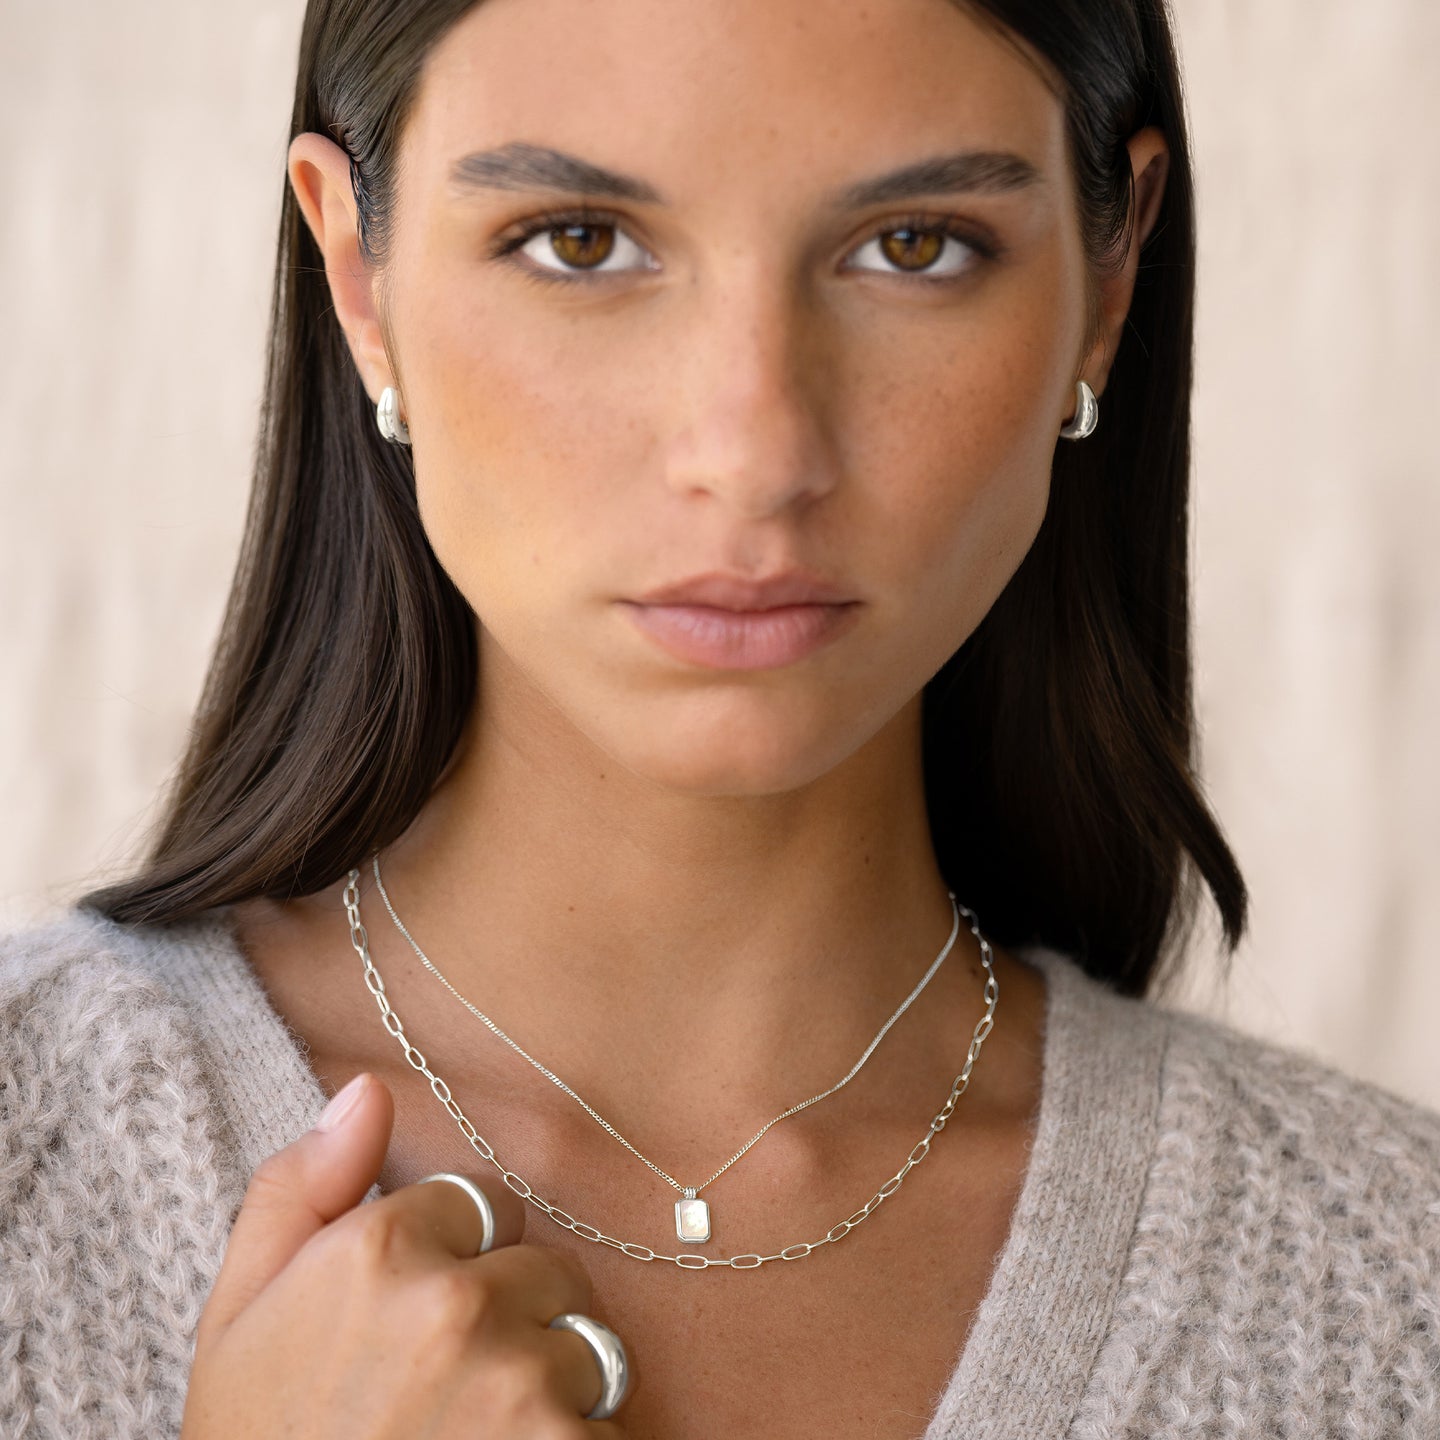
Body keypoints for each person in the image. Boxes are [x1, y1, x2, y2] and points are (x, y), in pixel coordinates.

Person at [2, 0, 1437, 1436]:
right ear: (359, 273)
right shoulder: (30, 1167)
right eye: (580, 241)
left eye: (913, 245)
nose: (754, 455)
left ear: (1107, 282)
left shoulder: (1394, 1295)